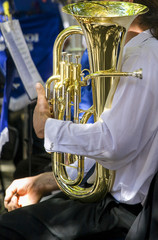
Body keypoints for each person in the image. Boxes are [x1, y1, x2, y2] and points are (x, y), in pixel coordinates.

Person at [0, 0, 158, 239]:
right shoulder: (137, 53)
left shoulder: (143, 56)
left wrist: (49, 128)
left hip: (119, 212)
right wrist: (46, 181)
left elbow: (113, 144)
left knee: (6, 228)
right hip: (108, 198)